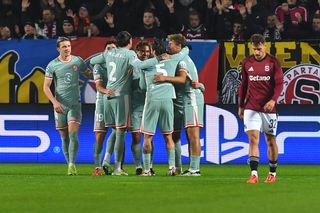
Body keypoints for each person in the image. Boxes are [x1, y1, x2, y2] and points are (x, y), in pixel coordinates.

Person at [90, 31, 163, 175]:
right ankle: (117, 168)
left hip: (107, 97)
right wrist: (159, 58)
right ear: (130, 42)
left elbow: (92, 61)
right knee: (120, 133)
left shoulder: (109, 53)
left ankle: (105, 161)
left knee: (115, 131)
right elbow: (140, 66)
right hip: (122, 96)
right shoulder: (130, 55)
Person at [154, 34, 204, 176]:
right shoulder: (176, 58)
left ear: (179, 46)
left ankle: (195, 169)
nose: (168, 45)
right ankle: (178, 167)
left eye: (171, 43)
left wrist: (163, 78)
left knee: (192, 135)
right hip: (178, 100)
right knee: (174, 134)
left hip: (191, 99)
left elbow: (182, 79)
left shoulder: (182, 60)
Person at [237, 34, 283, 184]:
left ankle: (272, 173)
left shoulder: (273, 62)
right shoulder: (247, 62)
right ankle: (254, 174)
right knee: (253, 139)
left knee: (270, 140)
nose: (256, 52)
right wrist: (241, 105)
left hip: (269, 109)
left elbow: (279, 85)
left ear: (265, 45)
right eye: (254, 49)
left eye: (259, 49)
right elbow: (243, 85)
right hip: (251, 106)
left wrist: (273, 100)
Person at [140, 38, 189, 176]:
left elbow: (142, 86)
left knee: (148, 137)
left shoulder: (147, 64)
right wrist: (184, 46)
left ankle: (147, 169)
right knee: (168, 136)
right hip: (168, 98)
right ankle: (172, 168)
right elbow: (185, 51)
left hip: (152, 99)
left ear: (153, 51)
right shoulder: (173, 60)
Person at [43, 37, 87, 175]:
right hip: (60, 106)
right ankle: (69, 163)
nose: (67, 48)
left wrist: (100, 74)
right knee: (64, 138)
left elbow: (89, 74)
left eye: (68, 46)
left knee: (73, 135)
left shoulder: (77, 61)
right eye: (64, 47)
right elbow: (45, 87)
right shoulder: (52, 65)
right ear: (58, 49)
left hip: (75, 104)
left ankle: (72, 165)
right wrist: (55, 102)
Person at [91, 40, 117, 176]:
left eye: (114, 48)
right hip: (102, 101)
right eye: (109, 48)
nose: (111, 50)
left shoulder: (120, 63)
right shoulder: (98, 65)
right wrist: (106, 91)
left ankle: (107, 160)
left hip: (117, 101)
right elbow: (99, 86)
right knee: (100, 135)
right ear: (104, 51)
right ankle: (97, 167)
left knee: (118, 131)